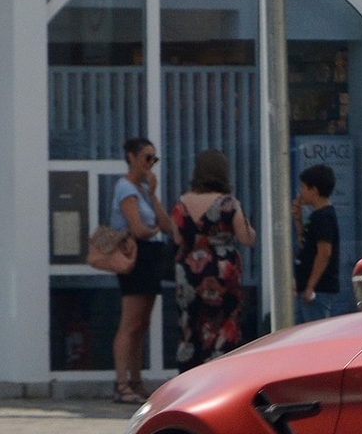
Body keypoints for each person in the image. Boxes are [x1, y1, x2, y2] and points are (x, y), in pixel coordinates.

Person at [173, 148, 255, 367]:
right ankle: (220, 370)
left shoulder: (182, 203)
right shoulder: (228, 203)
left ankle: (190, 374)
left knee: (190, 325)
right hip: (222, 273)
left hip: (189, 273)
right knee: (225, 322)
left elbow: (177, 238)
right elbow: (246, 238)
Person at [109, 138, 169, 403]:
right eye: (146, 158)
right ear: (131, 157)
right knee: (130, 322)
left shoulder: (143, 190)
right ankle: (121, 383)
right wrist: (155, 230)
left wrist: (153, 194)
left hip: (149, 258)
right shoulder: (125, 188)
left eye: (154, 159)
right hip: (136, 256)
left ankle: (136, 379)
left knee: (142, 323)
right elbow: (139, 229)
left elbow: (168, 226)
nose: (150, 164)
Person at [292, 163, 341, 322]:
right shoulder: (315, 217)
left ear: (314, 190)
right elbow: (305, 243)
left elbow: (324, 253)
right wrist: (298, 220)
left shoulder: (323, 217)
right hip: (307, 287)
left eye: (303, 187)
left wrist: (311, 286)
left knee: (312, 335)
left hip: (318, 290)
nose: (301, 192)